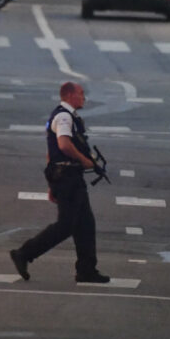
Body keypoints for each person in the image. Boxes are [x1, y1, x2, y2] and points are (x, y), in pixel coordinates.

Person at [9, 82, 111, 284]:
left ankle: (86, 270)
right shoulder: (64, 116)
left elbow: (51, 152)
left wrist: (51, 183)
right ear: (70, 95)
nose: (84, 98)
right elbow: (64, 145)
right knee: (66, 226)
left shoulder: (68, 116)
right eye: (81, 94)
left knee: (85, 225)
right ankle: (24, 253)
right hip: (68, 177)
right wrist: (85, 161)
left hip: (67, 177)